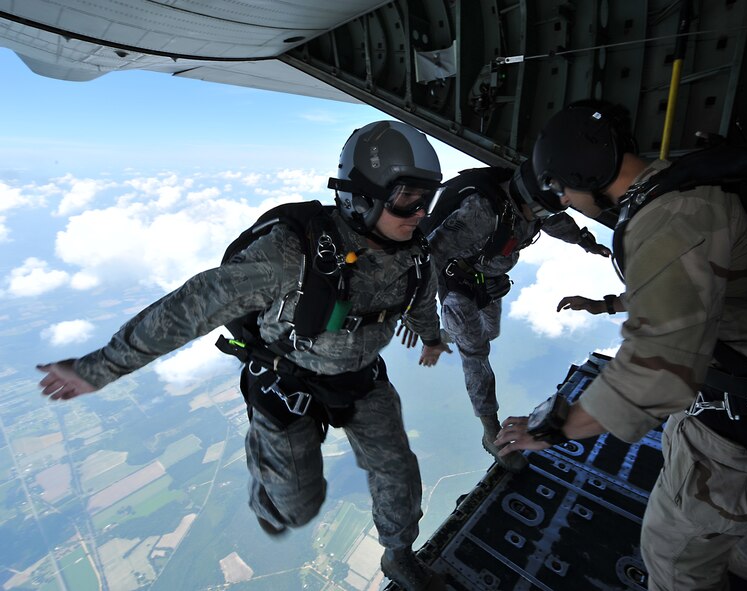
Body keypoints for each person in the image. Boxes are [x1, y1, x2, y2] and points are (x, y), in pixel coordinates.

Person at [36, 120, 452, 591]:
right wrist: (98, 368)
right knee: (294, 508)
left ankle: (399, 557)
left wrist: (432, 339)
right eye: (407, 197)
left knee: (399, 473)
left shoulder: (415, 258)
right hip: (284, 380)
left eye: (427, 198)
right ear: (363, 195)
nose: (419, 212)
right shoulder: (292, 254)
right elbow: (194, 305)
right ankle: (264, 475)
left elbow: (420, 303)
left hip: (360, 378)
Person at [495, 102, 747, 590]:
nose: (566, 200)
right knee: (732, 530)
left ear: (580, 172)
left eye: (561, 189)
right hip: (731, 388)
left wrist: (553, 430)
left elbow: (656, 370)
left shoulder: (667, 217)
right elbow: (688, 282)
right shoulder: (680, 185)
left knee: (670, 558)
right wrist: (607, 304)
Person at [424, 163, 610, 473]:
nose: (541, 216)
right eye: (538, 210)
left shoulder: (535, 203)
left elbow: (554, 220)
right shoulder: (481, 213)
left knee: (490, 332)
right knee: (476, 351)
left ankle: (453, 332)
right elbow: (430, 256)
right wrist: (419, 315)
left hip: (486, 280)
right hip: (458, 285)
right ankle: (490, 431)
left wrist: (586, 243)